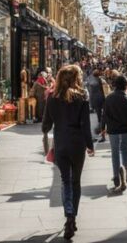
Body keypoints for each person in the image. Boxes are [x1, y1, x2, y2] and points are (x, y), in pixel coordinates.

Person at [42, 65, 95, 240]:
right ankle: (73, 216)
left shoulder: (52, 97)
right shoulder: (82, 96)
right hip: (77, 144)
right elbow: (85, 125)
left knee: (65, 181)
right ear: (76, 78)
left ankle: (69, 215)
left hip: (61, 143)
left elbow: (45, 125)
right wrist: (90, 145)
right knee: (76, 182)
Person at [102, 74, 127, 192]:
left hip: (113, 129)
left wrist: (103, 128)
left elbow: (105, 115)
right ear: (125, 85)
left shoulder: (109, 98)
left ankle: (117, 176)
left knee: (115, 152)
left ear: (115, 85)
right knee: (124, 148)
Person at [87, 70, 106, 135]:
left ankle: (100, 127)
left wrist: (91, 103)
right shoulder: (101, 80)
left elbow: (91, 93)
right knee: (104, 113)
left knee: (99, 115)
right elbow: (105, 89)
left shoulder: (91, 82)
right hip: (102, 98)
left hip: (95, 99)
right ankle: (102, 128)